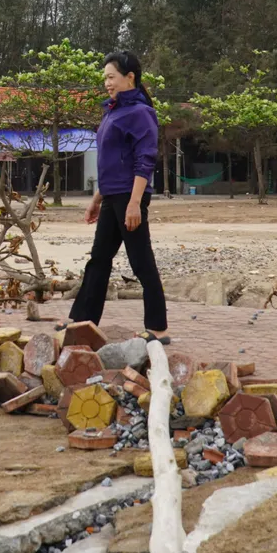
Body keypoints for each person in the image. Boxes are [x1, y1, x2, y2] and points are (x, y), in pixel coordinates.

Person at [60, 51, 170, 343]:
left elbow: (144, 161)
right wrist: (97, 198)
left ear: (129, 77)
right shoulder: (113, 110)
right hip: (111, 196)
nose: (106, 83)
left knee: (140, 260)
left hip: (129, 197)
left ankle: (157, 328)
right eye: (105, 78)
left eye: (111, 77)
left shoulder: (141, 113)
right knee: (98, 259)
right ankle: (82, 321)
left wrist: (135, 203)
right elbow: (110, 162)